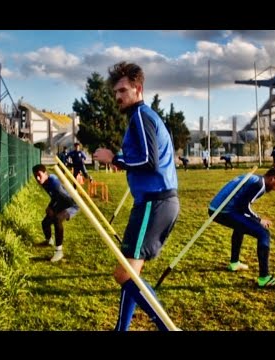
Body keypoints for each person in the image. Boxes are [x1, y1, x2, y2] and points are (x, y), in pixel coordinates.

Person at [93, 61, 179, 331]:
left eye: (122, 90)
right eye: (115, 92)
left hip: (155, 203)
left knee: (124, 273)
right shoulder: (140, 118)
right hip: (154, 202)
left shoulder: (141, 115)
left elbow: (148, 161)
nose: (118, 96)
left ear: (138, 88)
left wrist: (114, 159)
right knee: (131, 273)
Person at [208, 166, 275, 288]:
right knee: (263, 233)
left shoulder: (256, 179)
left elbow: (241, 205)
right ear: (273, 178)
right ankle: (264, 277)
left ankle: (234, 263)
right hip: (223, 211)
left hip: (215, 208)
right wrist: (259, 219)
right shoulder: (259, 185)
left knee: (241, 225)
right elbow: (243, 206)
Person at [32, 164, 80, 262]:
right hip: (61, 201)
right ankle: (49, 241)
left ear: (45, 173)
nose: (37, 178)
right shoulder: (44, 182)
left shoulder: (54, 182)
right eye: (35, 176)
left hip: (72, 204)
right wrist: (50, 207)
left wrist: (52, 208)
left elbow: (64, 199)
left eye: (39, 175)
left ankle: (59, 251)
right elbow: (55, 197)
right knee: (45, 222)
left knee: (57, 219)